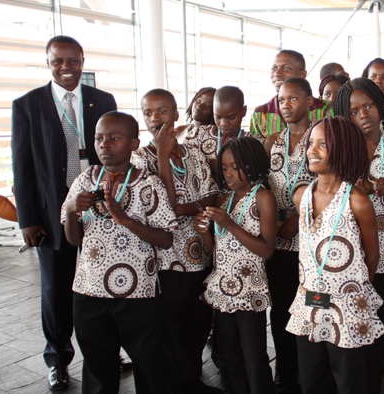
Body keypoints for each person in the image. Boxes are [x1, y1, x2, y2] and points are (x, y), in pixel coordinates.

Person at [10, 35, 118, 391]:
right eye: (58, 61)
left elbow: (115, 153)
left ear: (83, 60)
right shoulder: (27, 105)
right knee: (56, 290)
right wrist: (28, 218)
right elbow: (22, 165)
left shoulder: (103, 101)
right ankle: (57, 359)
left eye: (72, 60)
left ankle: (106, 352)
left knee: (103, 284)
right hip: (50, 212)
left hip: (99, 208)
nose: (66, 67)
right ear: (47, 62)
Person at [61, 111, 178, 394]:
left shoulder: (148, 184)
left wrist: (126, 221)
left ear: (134, 144)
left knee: (149, 364)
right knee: (98, 366)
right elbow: (73, 238)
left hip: (136, 294)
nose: (104, 144)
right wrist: (71, 210)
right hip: (88, 292)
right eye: (99, 138)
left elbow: (165, 239)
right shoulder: (85, 180)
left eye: (114, 138)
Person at [286, 116, 384, 394]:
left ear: (344, 149)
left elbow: (372, 258)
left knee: (349, 381)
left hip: (347, 307)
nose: (311, 150)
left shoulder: (358, 201)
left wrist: (352, 294)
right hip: (310, 303)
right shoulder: (302, 195)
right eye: (310, 143)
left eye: (323, 145)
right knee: (312, 379)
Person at [132, 89, 221, 393]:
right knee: (167, 327)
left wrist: (187, 208)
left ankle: (191, 378)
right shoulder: (139, 159)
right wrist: (161, 155)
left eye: (162, 111)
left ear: (175, 113)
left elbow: (213, 195)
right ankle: (174, 384)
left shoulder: (193, 152)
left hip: (200, 254)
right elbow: (163, 208)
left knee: (196, 324)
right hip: (165, 259)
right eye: (148, 112)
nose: (155, 118)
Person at [334, 77, 384, 393]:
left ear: (380, 105)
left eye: (368, 105)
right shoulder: (339, 148)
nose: (364, 114)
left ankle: (375, 372)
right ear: (346, 115)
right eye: (354, 110)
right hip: (345, 246)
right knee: (349, 312)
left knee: (377, 313)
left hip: (383, 248)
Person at [194, 137, 277, 394]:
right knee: (228, 350)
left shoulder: (263, 198)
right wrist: (204, 231)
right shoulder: (225, 198)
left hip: (249, 289)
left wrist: (229, 224)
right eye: (224, 167)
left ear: (252, 165)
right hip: (223, 288)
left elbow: (267, 249)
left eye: (234, 167)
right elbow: (215, 251)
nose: (228, 173)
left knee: (253, 353)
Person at [262, 77, 316, 392]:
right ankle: (285, 370)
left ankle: (313, 369)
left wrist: (298, 216)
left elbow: (330, 184)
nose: (286, 105)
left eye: (293, 99)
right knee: (281, 306)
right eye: (282, 100)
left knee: (312, 302)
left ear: (309, 101)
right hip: (278, 240)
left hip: (310, 238)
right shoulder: (272, 142)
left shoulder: (322, 139)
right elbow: (264, 188)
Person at [249, 50, 332, 138]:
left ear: (302, 74)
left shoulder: (326, 110)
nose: (277, 73)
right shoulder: (260, 114)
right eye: (274, 68)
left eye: (286, 68)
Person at [194, 86, 263, 178]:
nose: (223, 123)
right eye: (218, 117)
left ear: (243, 111)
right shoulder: (200, 134)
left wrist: (207, 163)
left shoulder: (254, 143)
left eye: (231, 118)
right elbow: (189, 162)